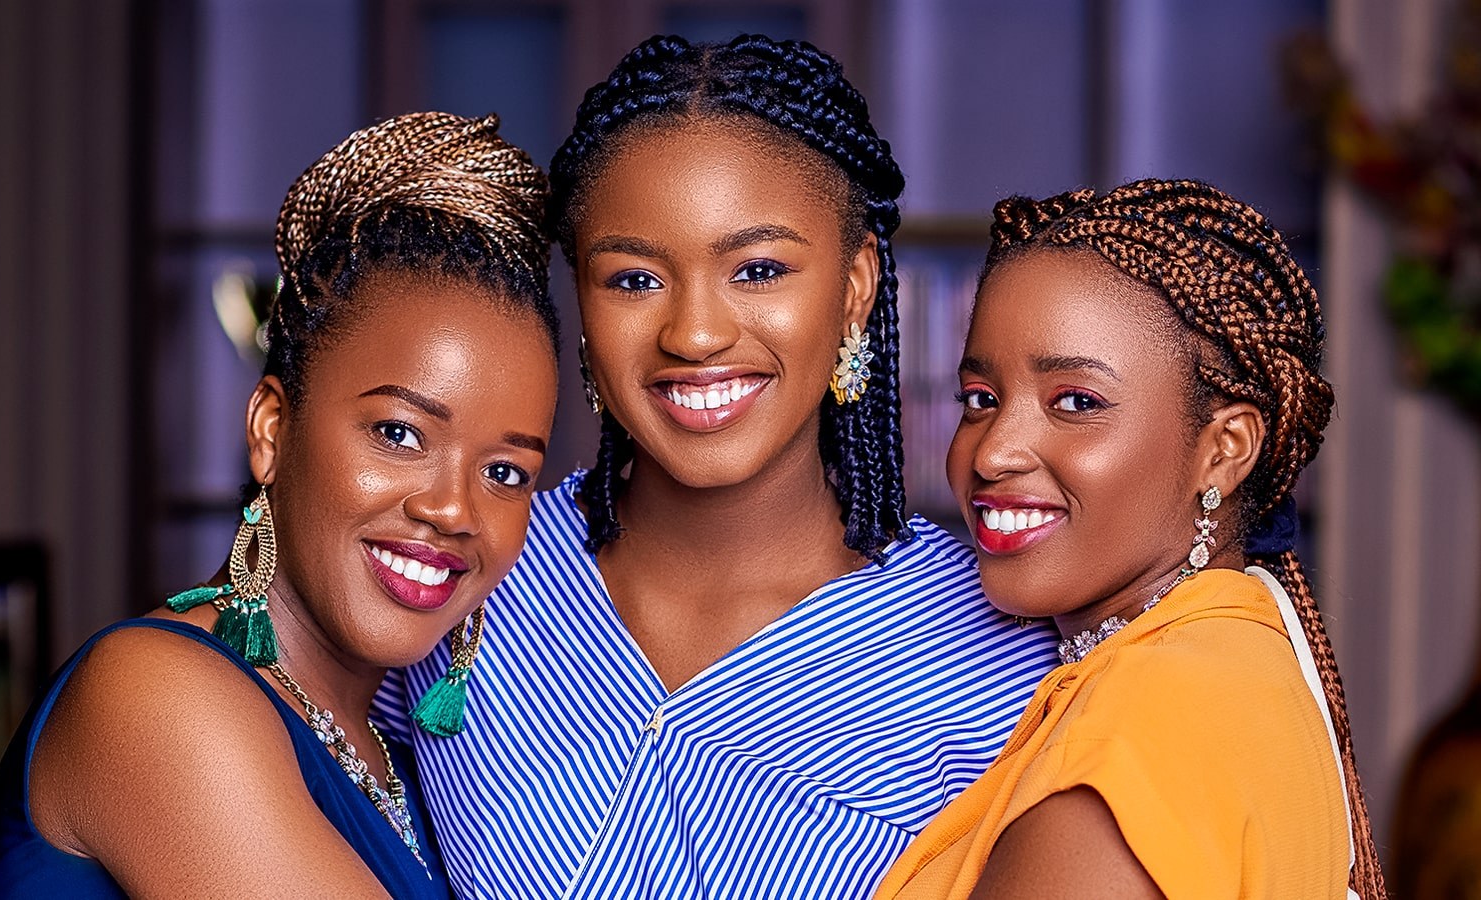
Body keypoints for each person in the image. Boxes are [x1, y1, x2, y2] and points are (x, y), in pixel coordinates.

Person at [372, 34, 1057, 899]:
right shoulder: (468, 562)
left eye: (758, 270)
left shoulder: (1005, 651)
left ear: (855, 287)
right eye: (632, 280)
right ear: (579, 299)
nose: (694, 333)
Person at [0, 111, 561, 897]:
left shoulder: (415, 773)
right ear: (272, 429)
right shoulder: (154, 695)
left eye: (507, 473)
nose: (454, 509)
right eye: (400, 433)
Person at [872, 179, 1385, 899]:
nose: (992, 453)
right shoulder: (1236, 661)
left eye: (1076, 402)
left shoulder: (1147, 723)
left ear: (1224, 448)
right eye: (981, 401)